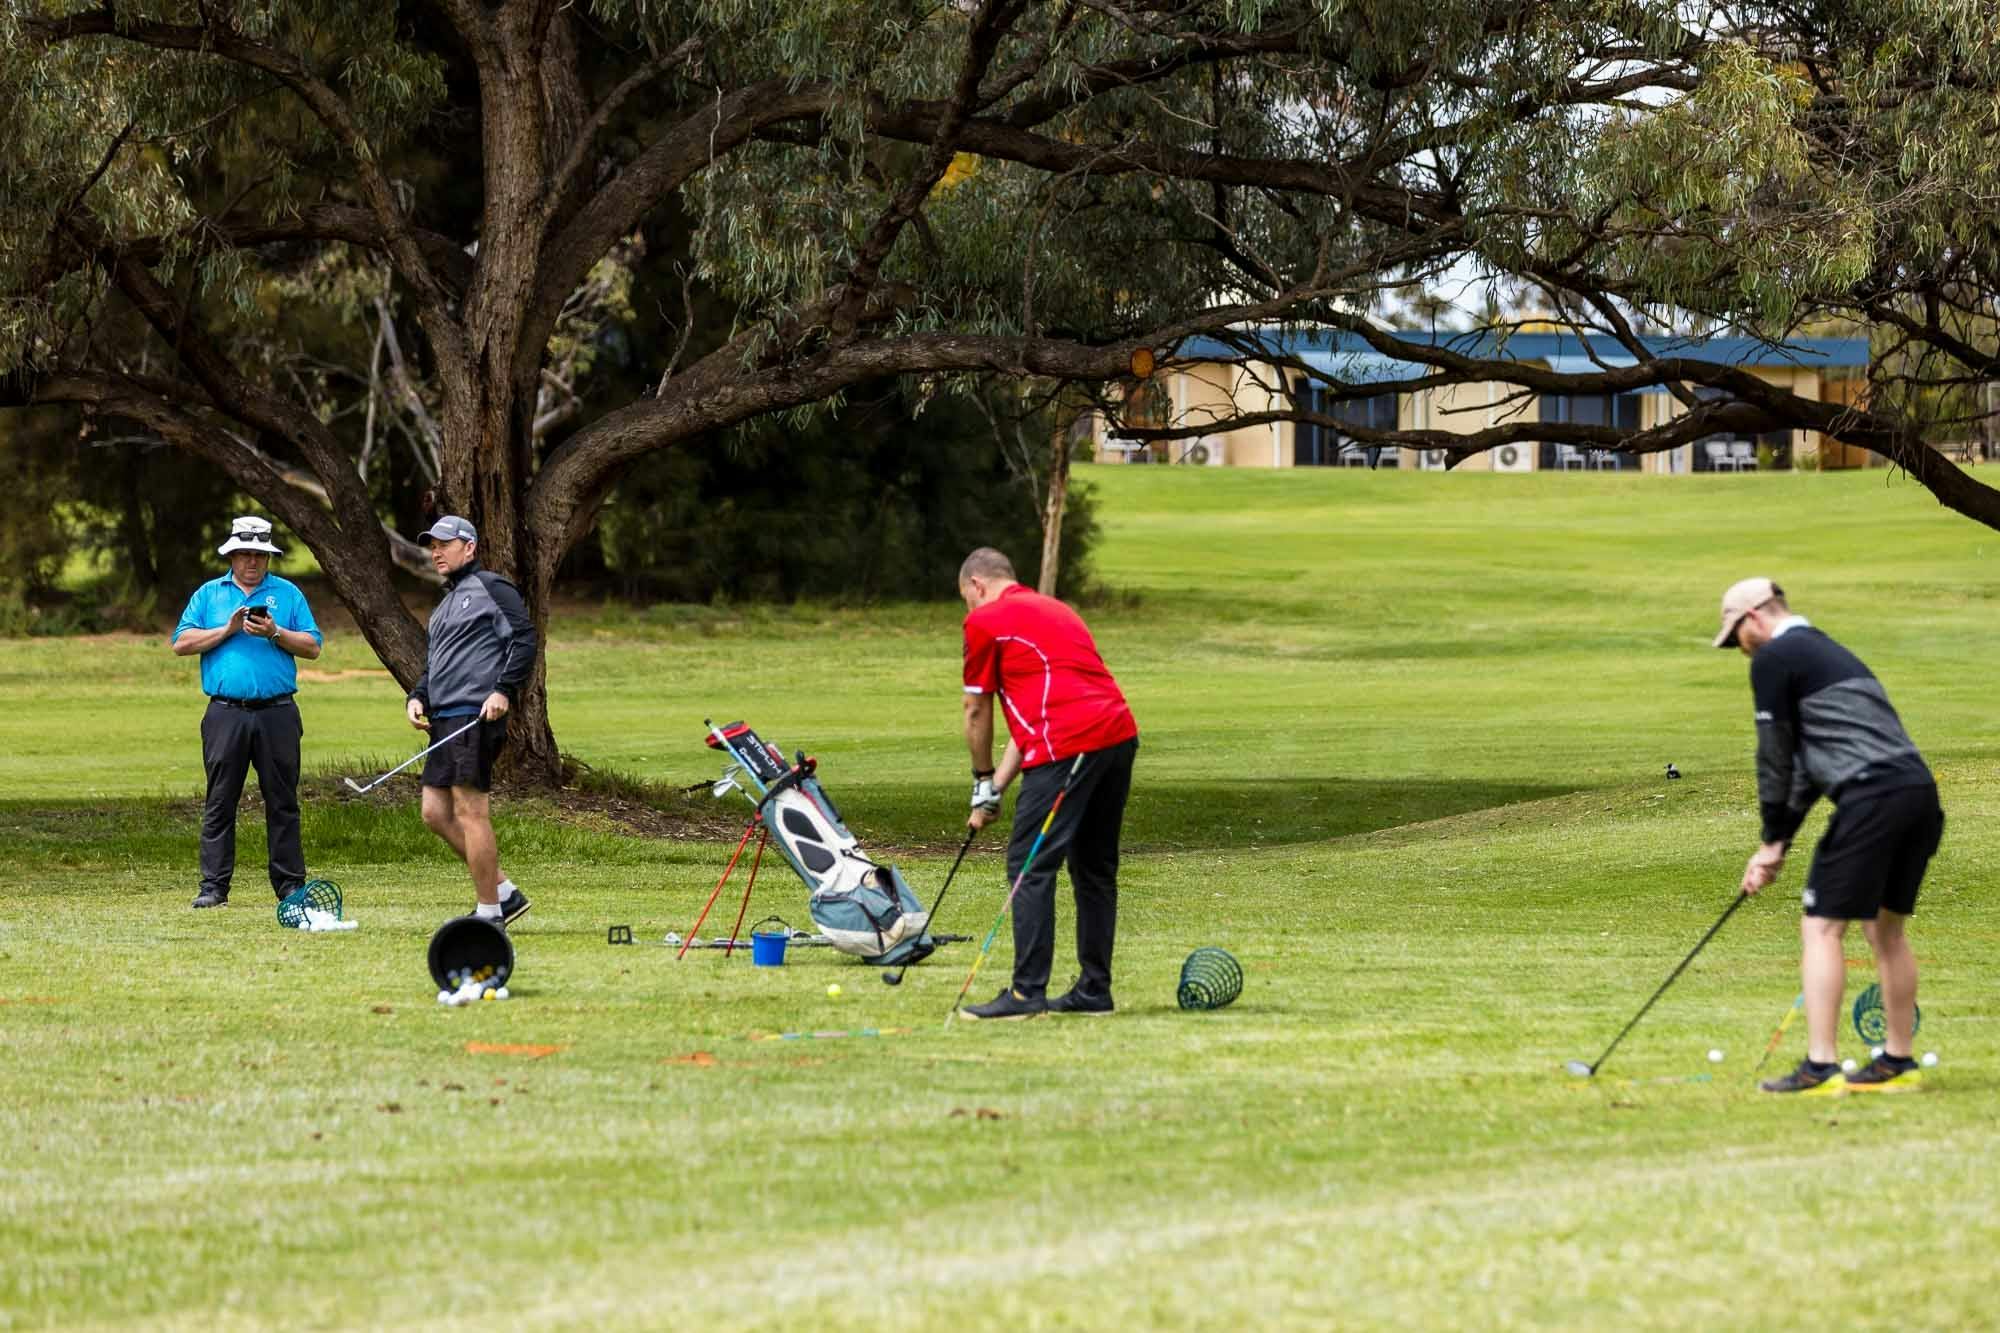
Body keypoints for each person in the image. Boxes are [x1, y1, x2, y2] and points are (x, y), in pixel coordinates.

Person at [1715, 577, 1943, 1094]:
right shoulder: (1832, 653)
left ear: (1755, 617)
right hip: (1917, 794)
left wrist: (1772, 841)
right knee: (1886, 932)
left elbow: (1775, 757)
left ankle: (1820, 1066)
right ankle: (1897, 1062)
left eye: (1736, 636)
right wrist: (1777, 845)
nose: (1737, 648)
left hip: (1871, 798)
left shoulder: (1774, 658)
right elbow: (1811, 771)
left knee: (1821, 928)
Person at [955, 548, 1139, 1020]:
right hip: (1117, 736)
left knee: (1029, 864)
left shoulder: (985, 621)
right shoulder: (1056, 609)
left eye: (966, 600)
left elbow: (976, 709)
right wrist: (995, 787)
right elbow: (1036, 715)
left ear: (977, 586)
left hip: (1071, 745)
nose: (969, 612)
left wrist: (978, 778)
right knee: (1094, 867)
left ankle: (1025, 994)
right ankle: (1094, 992)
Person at [171, 516, 323, 910]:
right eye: (244, 554)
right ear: (232, 555)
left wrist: (275, 632)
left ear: (268, 557)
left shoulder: (287, 594)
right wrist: (227, 630)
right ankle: (214, 886)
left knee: (283, 800)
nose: (252, 562)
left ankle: (290, 885)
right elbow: (181, 643)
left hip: (277, 713)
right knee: (220, 800)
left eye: (259, 555)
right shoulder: (209, 594)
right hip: (226, 714)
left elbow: (312, 646)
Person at [407, 516, 538, 927]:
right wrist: (418, 696)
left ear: (470, 547)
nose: (436, 551)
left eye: (445, 544)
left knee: (470, 812)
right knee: (434, 812)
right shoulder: (446, 602)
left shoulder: (492, 587)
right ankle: (503, 893)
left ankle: (490, 913)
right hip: (444, 717)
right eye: (432, 545)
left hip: (473, 714)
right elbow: (437, 663)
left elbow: (524, 638)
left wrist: (504, 690)